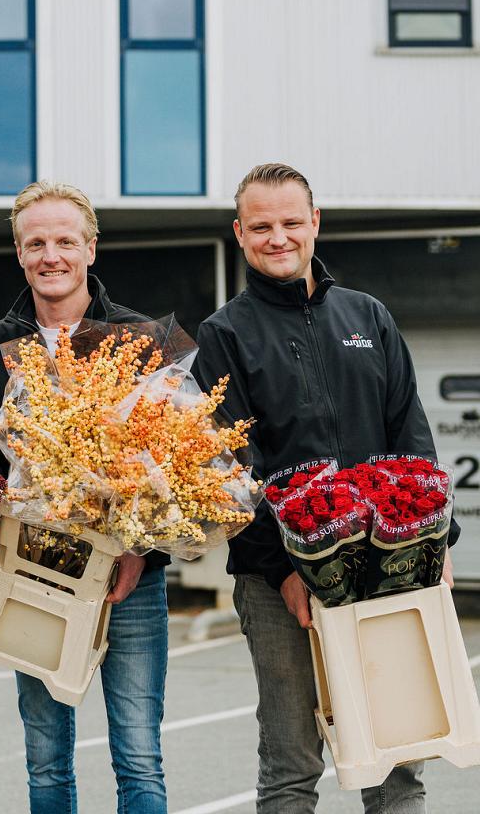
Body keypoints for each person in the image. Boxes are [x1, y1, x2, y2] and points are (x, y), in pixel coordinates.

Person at [194, 162, 456, 814]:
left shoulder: (367, 315)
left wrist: (436, 543)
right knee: (292, 763)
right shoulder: (222, 336)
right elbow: (232, 474)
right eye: (261, 226)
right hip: (277, 582)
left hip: (390, 569)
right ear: (239, 233)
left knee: (397, 761)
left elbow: (411, 440)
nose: (277, 237)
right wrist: (286, 570)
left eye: (290, 222)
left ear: (314, 223)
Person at [0, 180, 169, 814]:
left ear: (91, 249)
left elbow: (175, 456)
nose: (51, 255)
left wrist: (137, 549)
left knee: (138, 759)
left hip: (131, 578)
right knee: (47, 761)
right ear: (19, 254)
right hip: (38, 572)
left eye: (65, 241)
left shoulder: (139, 337)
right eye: (36, 243)